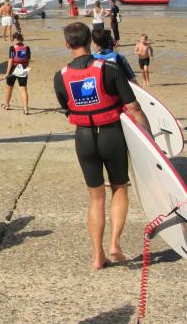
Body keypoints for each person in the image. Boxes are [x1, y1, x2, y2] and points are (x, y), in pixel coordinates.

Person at [54, 22, 149, 270]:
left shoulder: (60, 76)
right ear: (90, 41)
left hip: (84, 137)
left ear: (67, 44)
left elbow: (68, 108)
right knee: (119, 188)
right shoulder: (109, 68)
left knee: (96, 197)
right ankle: (115, 244)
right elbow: (134, 107)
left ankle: (97, 256)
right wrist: (148, 139)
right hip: (111, 135)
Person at [2, 32, 31, 114]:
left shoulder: (12, 48)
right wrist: (24, 69)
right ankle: (25, 109)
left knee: (9, 87)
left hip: (14, 69)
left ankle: (6, 104)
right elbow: (28, 60)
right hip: (23, 69)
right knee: (23, 88)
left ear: (15, 39)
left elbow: (10, 61)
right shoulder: (27, 48)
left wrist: (7, 73)